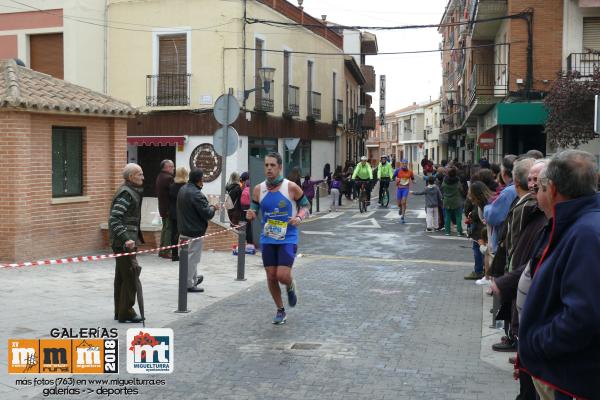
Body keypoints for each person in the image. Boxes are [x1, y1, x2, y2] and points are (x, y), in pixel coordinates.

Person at [519, 150, 600, 400]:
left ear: (552, 189)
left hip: (568, 378)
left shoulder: (585, 233)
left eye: (540, 186)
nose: (536, 191)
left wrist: (536, 344)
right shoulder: (577, 225)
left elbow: (582, 316)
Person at [246, 152, 310, 324]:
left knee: (282, 275)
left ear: (280, 167)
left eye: (272, 165)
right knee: (271, 276)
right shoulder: (259, 189)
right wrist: (251, 214)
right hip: (268, 238)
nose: (269, 168)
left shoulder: (291, 187)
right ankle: (280, 309)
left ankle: (290, 285)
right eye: (266, 165)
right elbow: (253, 209)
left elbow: (306, 206)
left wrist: (299, 217)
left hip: (288, 236)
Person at [108, 163, 145, 323]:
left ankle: (120, 311)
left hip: (124, 242)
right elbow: (114, 218)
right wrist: (126, 238)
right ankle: (127, 311)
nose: (143, 177)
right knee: (130, 276)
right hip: (124, 243)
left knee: (122, 278)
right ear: (131, 177)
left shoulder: (130, 191)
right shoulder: (126, 193)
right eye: (140, 174)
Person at [176, 169, 221, 293]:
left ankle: (193, 278)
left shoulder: (183, 189)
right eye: (203, 179)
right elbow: (207, 214)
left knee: (188, 257)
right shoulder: (196, 194)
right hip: (194, 231)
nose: (203, 182)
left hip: (184, 229)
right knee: (192, 258)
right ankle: (188, 284)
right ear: (199, 180)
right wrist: (213, 207)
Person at [464, 181, 494, 280]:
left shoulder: (482, 204)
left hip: (481, 231)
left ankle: (480, 272)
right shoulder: (490, 199)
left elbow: (475, 214)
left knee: (481, 251)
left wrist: (471, 215)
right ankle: (485, 272)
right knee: (485, 252)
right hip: (484, 231)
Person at [168, 167, 189, 262]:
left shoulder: (172, 186)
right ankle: (185, 253)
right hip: (183, 213)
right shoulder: (186, 187)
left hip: (173, 213)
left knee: (174, 234)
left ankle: (174, 255)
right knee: (186, 233)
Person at [156, 159, 174, 259]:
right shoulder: (168, 178)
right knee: (169, 230)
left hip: (162, 208)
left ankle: (162, 250)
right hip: (168, 208)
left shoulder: (160, 176)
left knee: (165, 229)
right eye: (172, 167)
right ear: (166, 167)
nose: (173, 169)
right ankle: (166, 251)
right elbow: (173, 193)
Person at [441, 166, 464, 236]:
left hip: (447, 201)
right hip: (456, 201)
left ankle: (447, 232)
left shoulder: (445, 180)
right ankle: (459, 232)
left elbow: (442, 188)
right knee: (458, 216)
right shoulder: (457, 181)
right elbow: (461, 189)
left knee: (447, 216)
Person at [239, 172, 254, 246]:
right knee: (249, 228)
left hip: (244, 211)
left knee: (246, 228)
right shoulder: (252, 189)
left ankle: (248, 243)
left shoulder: (244, 191)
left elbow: (243, 203)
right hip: (250, 210)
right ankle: (250, 243)